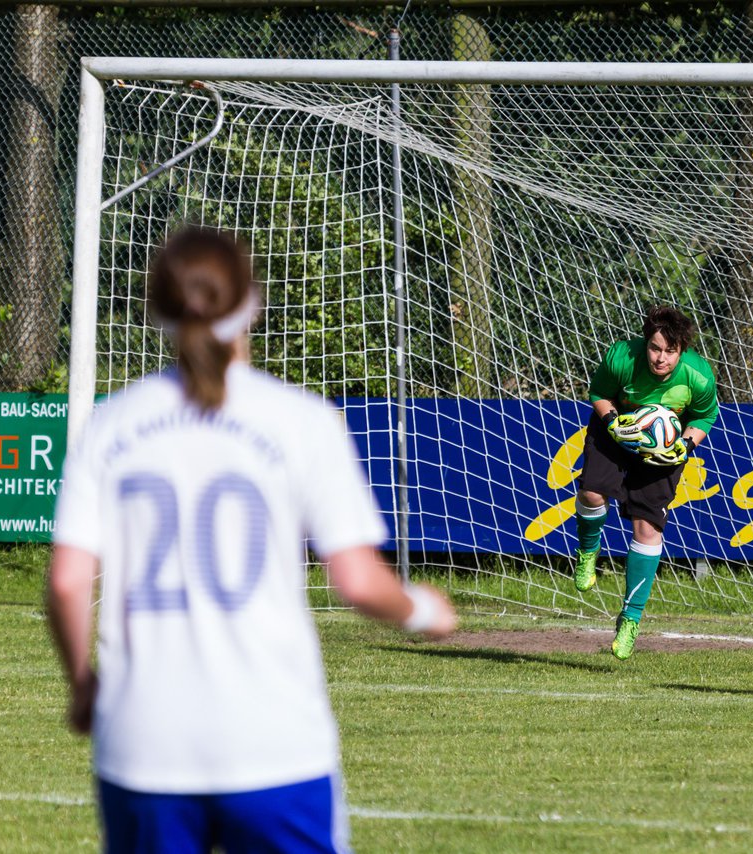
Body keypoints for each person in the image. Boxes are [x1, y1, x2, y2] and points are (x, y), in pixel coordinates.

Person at [46, 227, 456, 853]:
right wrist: (422, 608)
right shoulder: (301, 420)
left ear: (155, 311)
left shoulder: (111, 425)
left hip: (142, 741)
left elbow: (68, 581)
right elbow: (357, 581)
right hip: (273, 740)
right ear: (252, 305)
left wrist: (82, 686)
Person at [573, 305, 719, 660]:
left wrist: (684, 445)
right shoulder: (621, 357)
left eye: (670, 351)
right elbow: (599, 392)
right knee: (591, 494)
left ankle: (630, 619)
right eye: (655, 348)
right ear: (645, 343)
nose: (661, 358)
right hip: (615, 430)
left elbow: (705, 414)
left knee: (647, 528)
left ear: (682, 350)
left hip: (664, 448)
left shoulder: (698, 377)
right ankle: (588, 551)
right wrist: (612, 424)